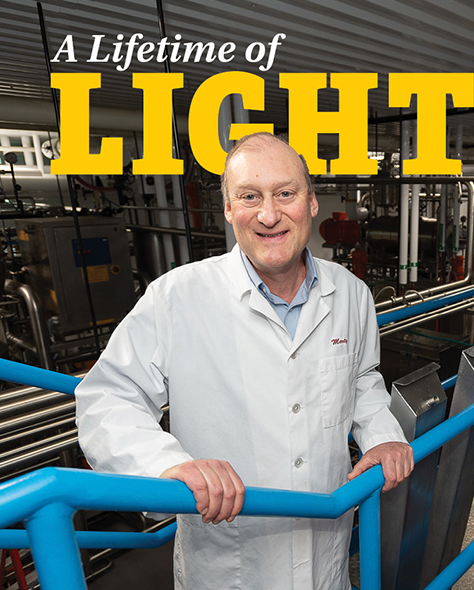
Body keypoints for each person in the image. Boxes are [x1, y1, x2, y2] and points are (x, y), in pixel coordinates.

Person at [75, 132, 413, 590]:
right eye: (249, 196)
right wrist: (166, 464)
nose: (269, 214)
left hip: (325, 550)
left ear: (311, 203)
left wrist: (382, 437)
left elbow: (362, 379)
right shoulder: (177, 296)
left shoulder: (351, 292)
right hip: (229, 564)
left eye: (285, 194)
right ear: (229, 210)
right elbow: (107, 398)